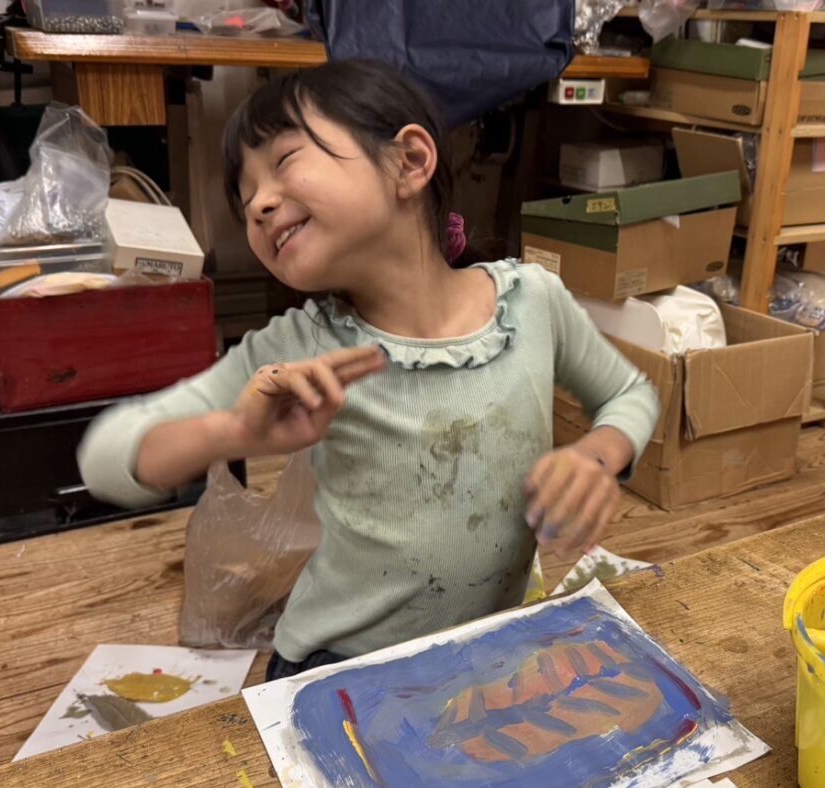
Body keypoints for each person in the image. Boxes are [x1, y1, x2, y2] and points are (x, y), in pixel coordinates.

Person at [77, 61, 660, 682]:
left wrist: (597, 455)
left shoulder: (533, 301)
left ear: (409, 161)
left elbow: (631, 394)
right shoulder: (299, 344)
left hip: (484, 652)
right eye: (246, 200)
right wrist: (232, 433)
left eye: (285, 160)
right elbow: (106, 456)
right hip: (340, 670)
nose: (260, 205)